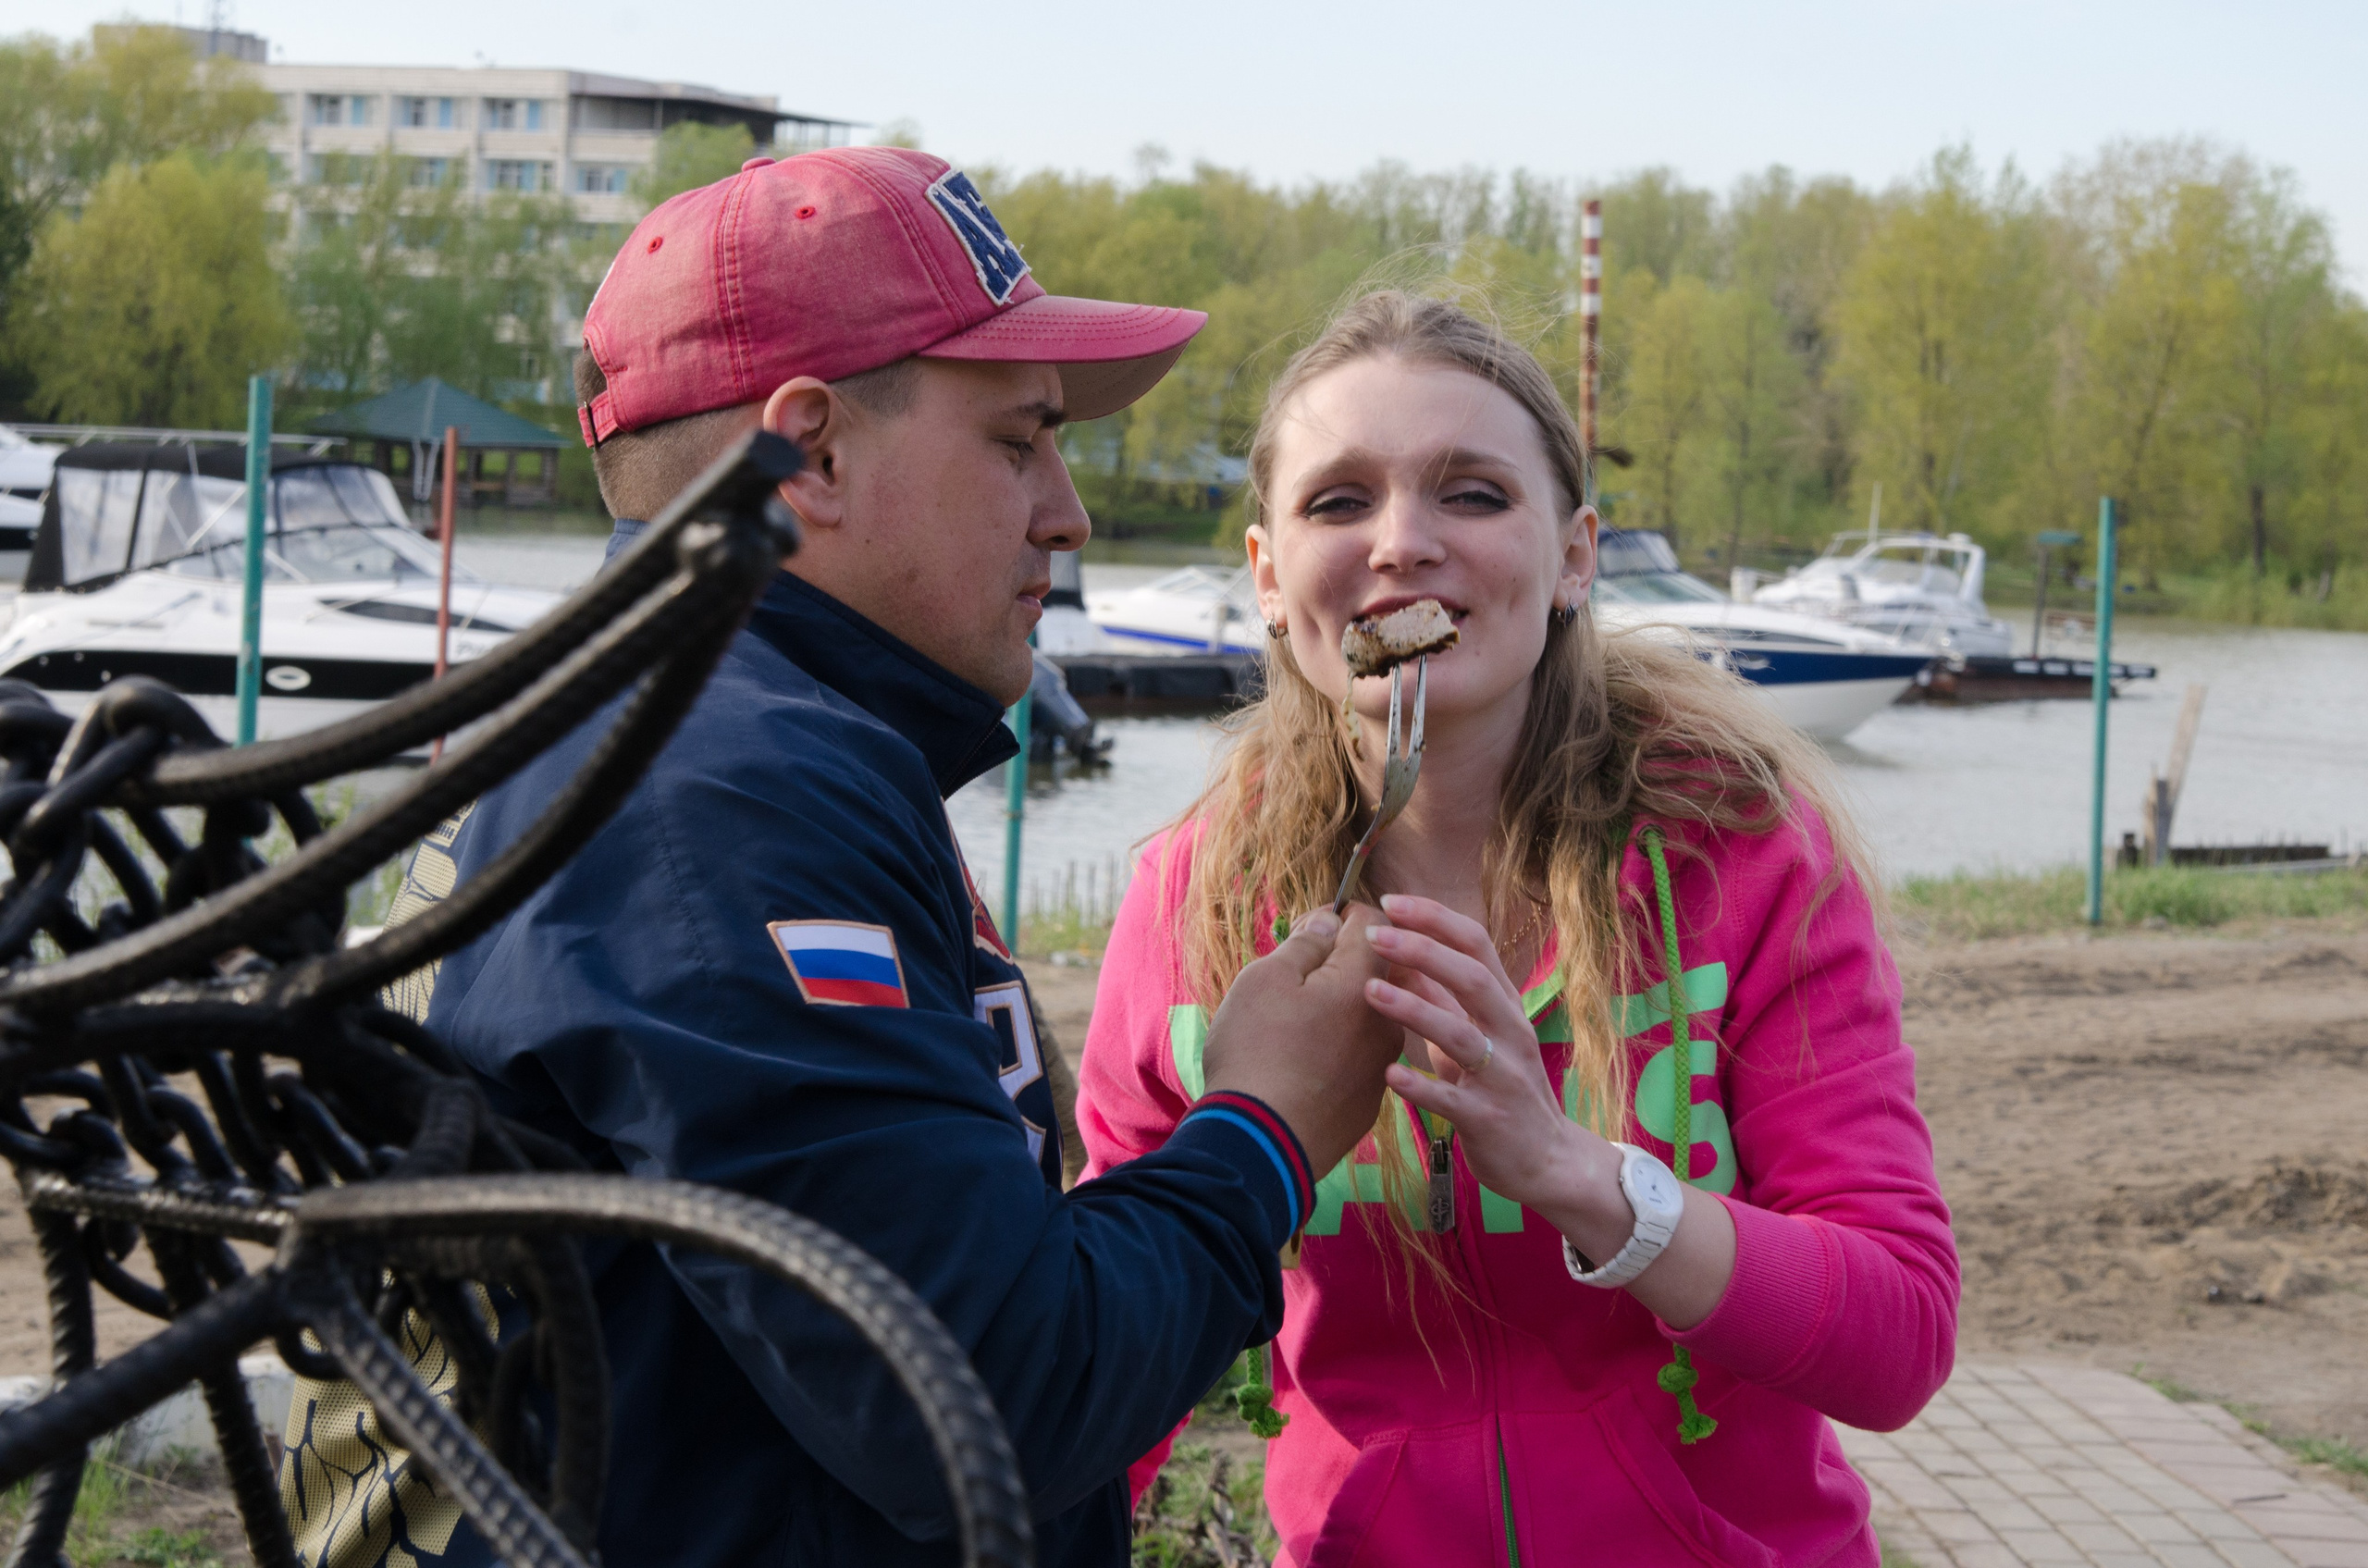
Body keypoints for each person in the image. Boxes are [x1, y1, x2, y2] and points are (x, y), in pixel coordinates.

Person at [278, 148, 1409, 1568]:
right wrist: (1262, 1128)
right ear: (806, 452)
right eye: (1018, 440)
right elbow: (983, 1409)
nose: (1066, 511)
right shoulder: (728, 794)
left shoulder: (652, 722)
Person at [1076, 290, 1959, 1567]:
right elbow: (1117, 1350)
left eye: (1473, 494)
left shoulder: (1742, 852)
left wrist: (1581, 1180)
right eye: (1339, 502)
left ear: (1576, 556)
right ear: (1269, 577)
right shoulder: (1196, 902)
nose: (1402, 546)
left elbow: (1897, 1340)